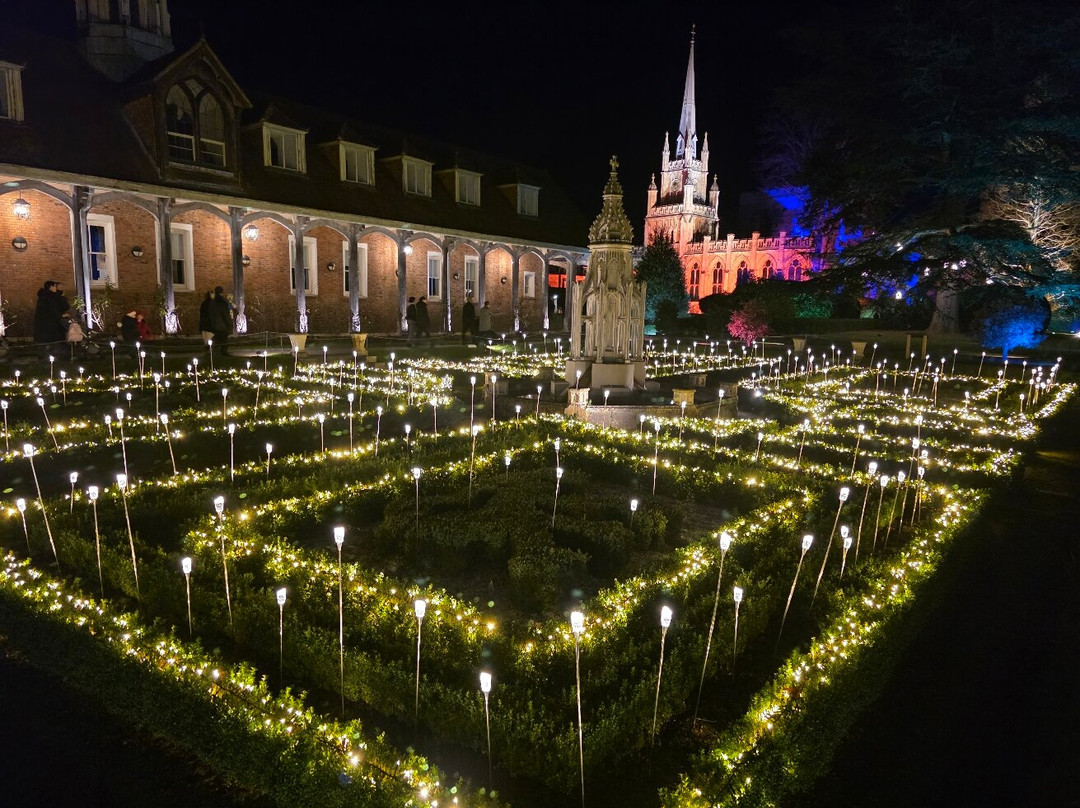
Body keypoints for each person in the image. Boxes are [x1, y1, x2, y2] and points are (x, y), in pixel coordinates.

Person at [33, 280, 68, 350]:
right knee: (54, 339)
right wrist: (61, 315)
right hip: (49, 323)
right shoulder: (49, 297)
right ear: (51, 287)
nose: (56, 288)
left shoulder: (44, 296)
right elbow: (52, 310)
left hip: (44, 323)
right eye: (55, 286)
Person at [208, 286, 234, 354]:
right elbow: (225, 314)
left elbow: (210, 313)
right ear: (222, 292)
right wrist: (229, 323)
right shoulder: (223, 302)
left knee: (220, 337)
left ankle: (214, 350)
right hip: (223, 324)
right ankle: (221, 351)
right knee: (222, 338)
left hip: (215, 323)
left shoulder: (212, 302)